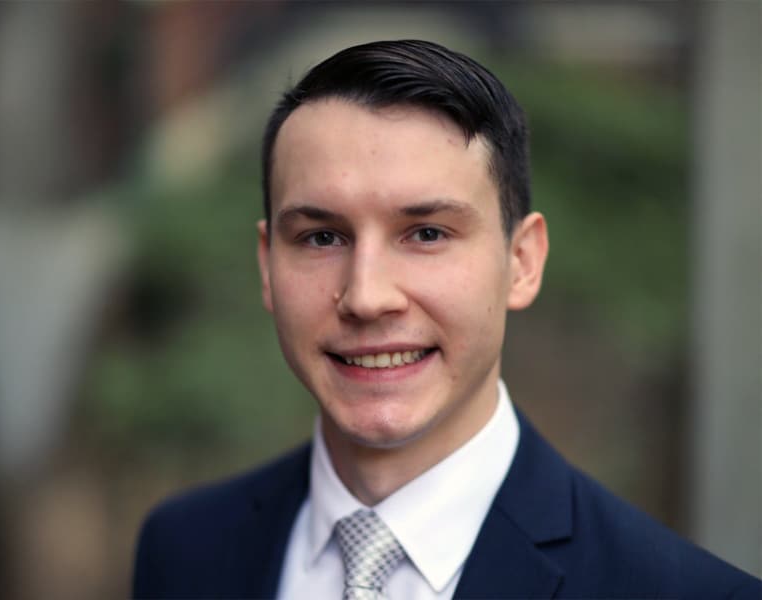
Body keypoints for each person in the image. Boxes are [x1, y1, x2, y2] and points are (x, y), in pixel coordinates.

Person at [132, 40, 760, 599]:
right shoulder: (184, 550)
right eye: (322, 238)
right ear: (268, 266)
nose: (367, 296)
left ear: (521, 262)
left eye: (426, 233)